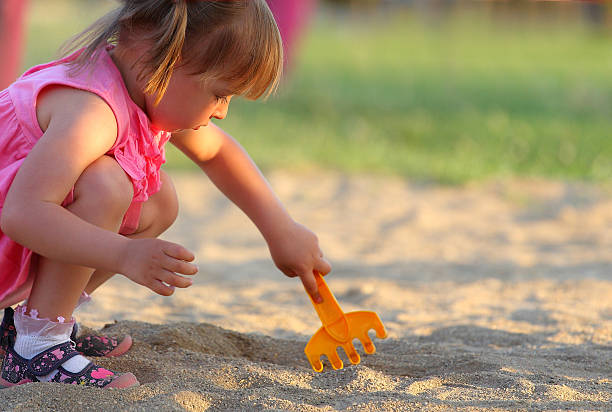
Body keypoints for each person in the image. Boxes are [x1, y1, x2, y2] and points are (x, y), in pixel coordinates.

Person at [0, 0, 331, 389]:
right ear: (154, 60)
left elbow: (218, 152)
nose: (223, 111)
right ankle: (37, 350)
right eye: (221, 93)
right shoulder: (92, 112)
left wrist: (282, 230)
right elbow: (22, 212)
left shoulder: (141, 89)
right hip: (18, 226)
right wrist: (124, 254)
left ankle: (33, 326)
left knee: (158, 201)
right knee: (107, 183)